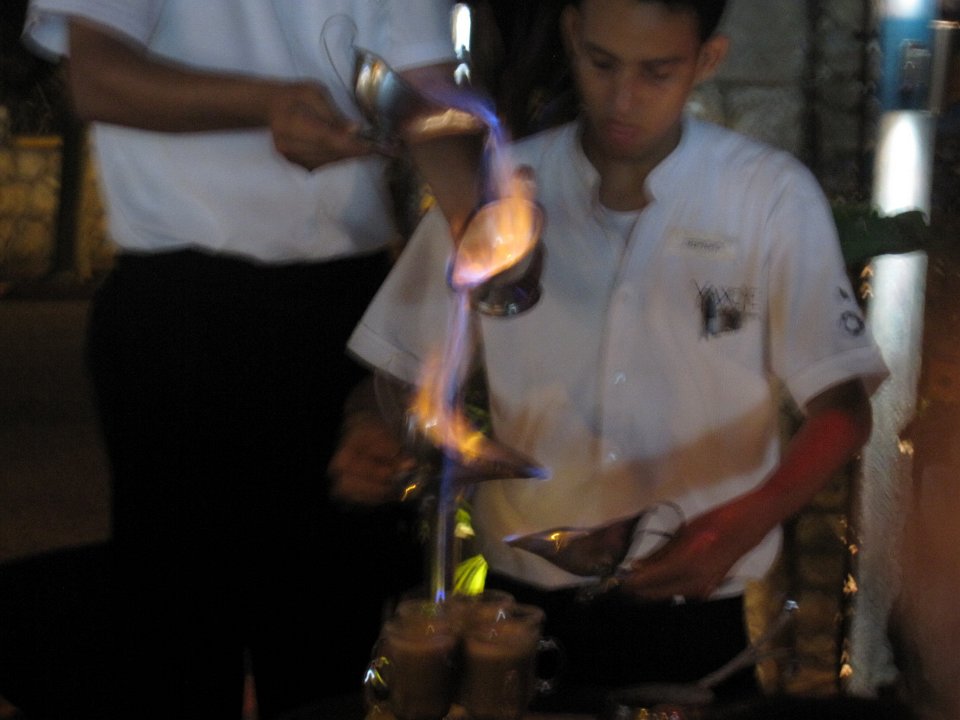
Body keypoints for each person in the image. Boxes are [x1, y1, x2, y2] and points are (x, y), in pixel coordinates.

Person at [329, 0, 891, 714]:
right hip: (518, 613)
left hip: (698, 611)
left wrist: (744, 522)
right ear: (572, 35)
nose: (623, 99)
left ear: (706, 60)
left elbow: (843, 409)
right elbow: (397, 367)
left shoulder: (767, 195)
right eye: (602, 64)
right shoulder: (499, 189)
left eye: (657, 72)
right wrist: (373, 428)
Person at [17, 2, 483, 719]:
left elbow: (425, 95)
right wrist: (265, 103)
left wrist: (480, 225)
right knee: (180, 635)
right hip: (181, 309)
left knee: (335, 633)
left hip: (346, 304)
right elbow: (98, 77)